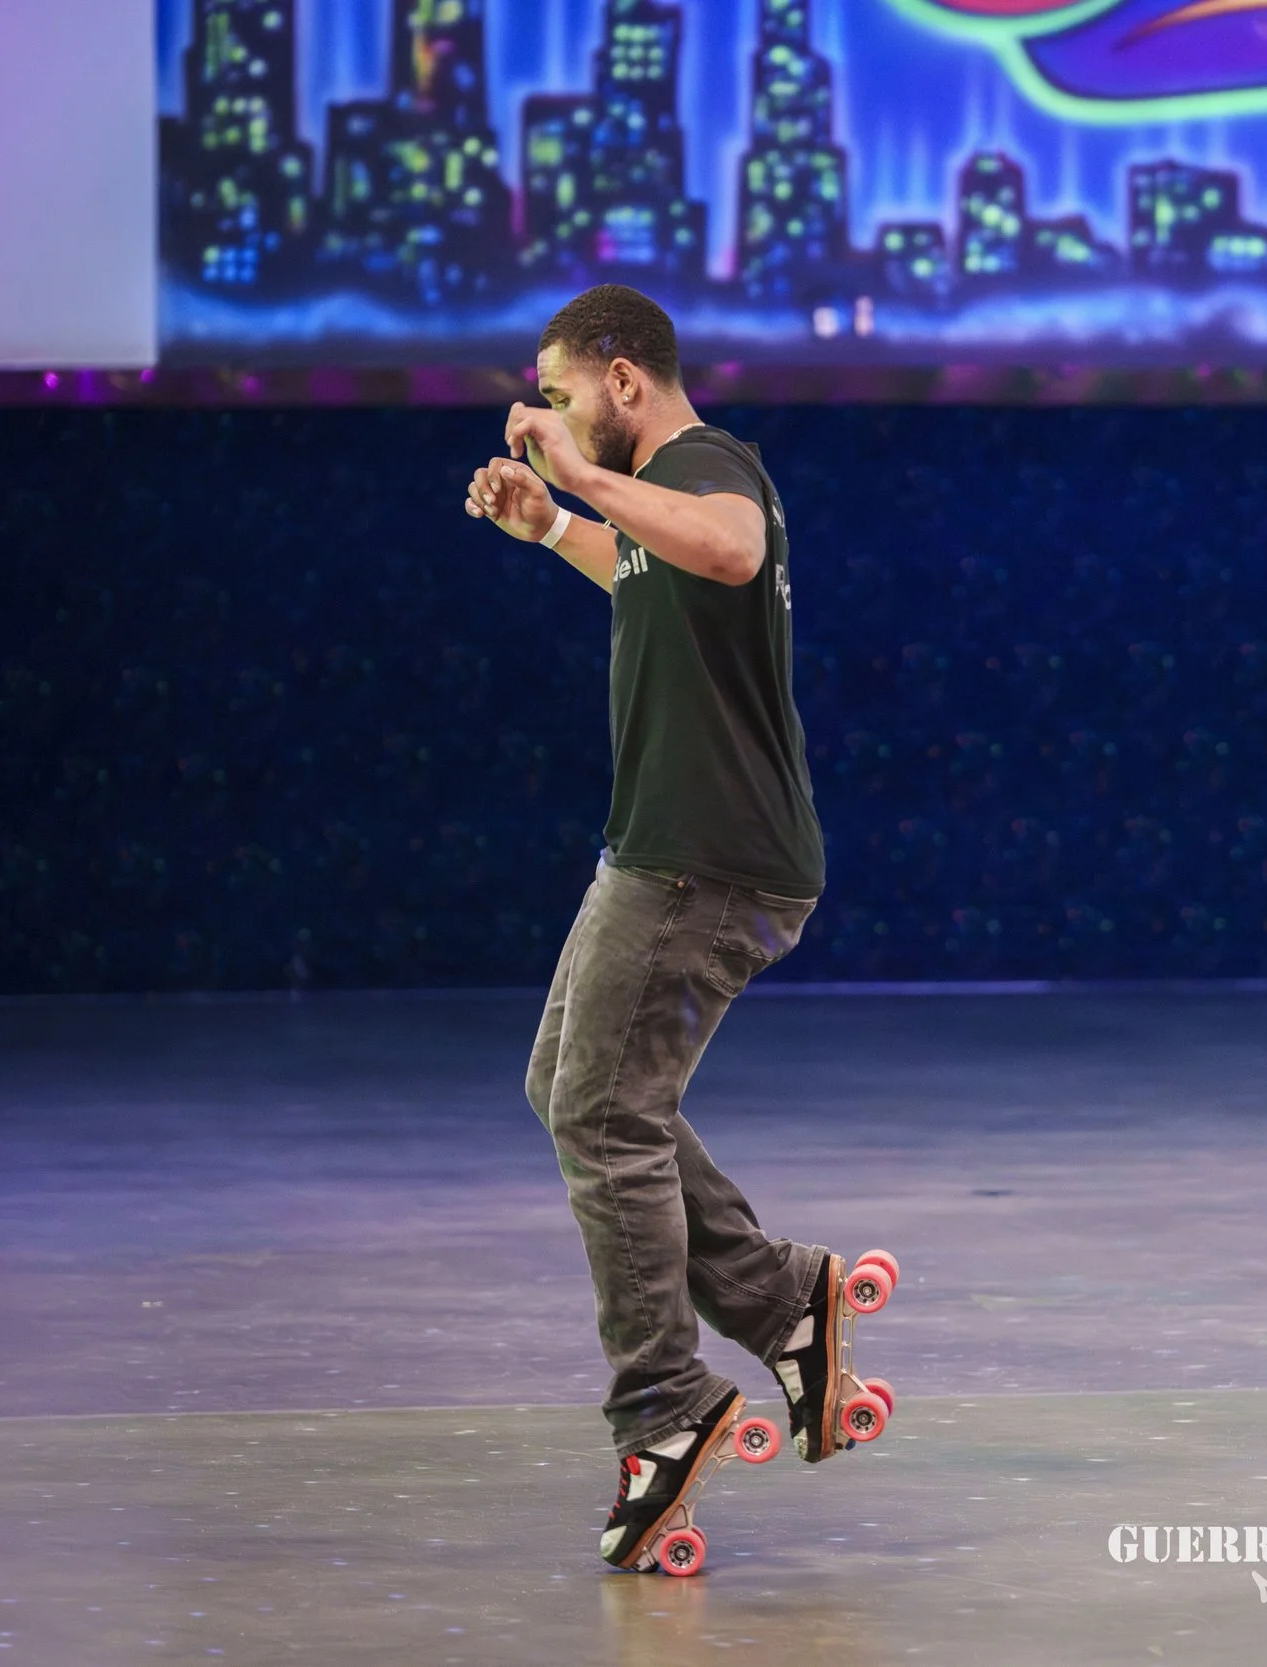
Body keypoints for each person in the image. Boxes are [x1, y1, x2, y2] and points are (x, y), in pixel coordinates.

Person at [464, 284, 858, 1571]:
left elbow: (728, 551)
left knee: (603, 1110)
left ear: (621, 379)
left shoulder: (707, 462)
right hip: (662, 850)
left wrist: (582, 471)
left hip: (707, 860)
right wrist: (553, 525)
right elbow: (659, 572)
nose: (551, 418)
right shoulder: (661, 494)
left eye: (564, 394)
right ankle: (779, 1296)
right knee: (569, 1088)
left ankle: (665, 1405)